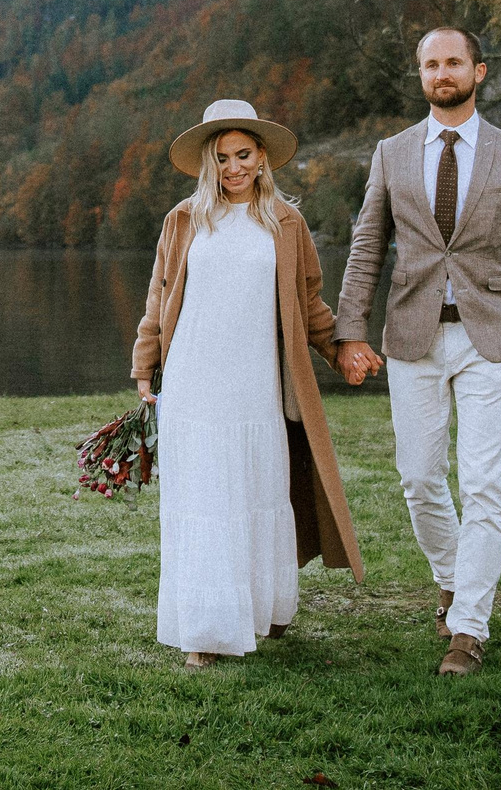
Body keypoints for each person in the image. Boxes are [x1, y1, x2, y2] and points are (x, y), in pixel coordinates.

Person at [336, 28, 501, 677]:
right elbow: (367, 245)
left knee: (486, 484)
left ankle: (467, 628)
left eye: (453, 61)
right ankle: (453, 578)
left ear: (478, 70)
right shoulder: (392, 152)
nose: (442, 72)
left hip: (489, 337)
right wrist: (350, 331)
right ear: (420, 74)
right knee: (419, 477)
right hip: (413, 336)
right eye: (430, 64)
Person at [132, 99, 363, 668]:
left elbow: (308, 303)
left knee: (258, 491)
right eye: (222, 157)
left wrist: (340, 350)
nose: (233, 167)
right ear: (208, 163)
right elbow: (160, 296)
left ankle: (262, 608)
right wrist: (145, 365)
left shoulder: (286, 224)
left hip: (257, 384)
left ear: (262, 157)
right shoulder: (184, 220)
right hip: (194, 380)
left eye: (243, 154)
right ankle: (206, 633)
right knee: (205, 499)